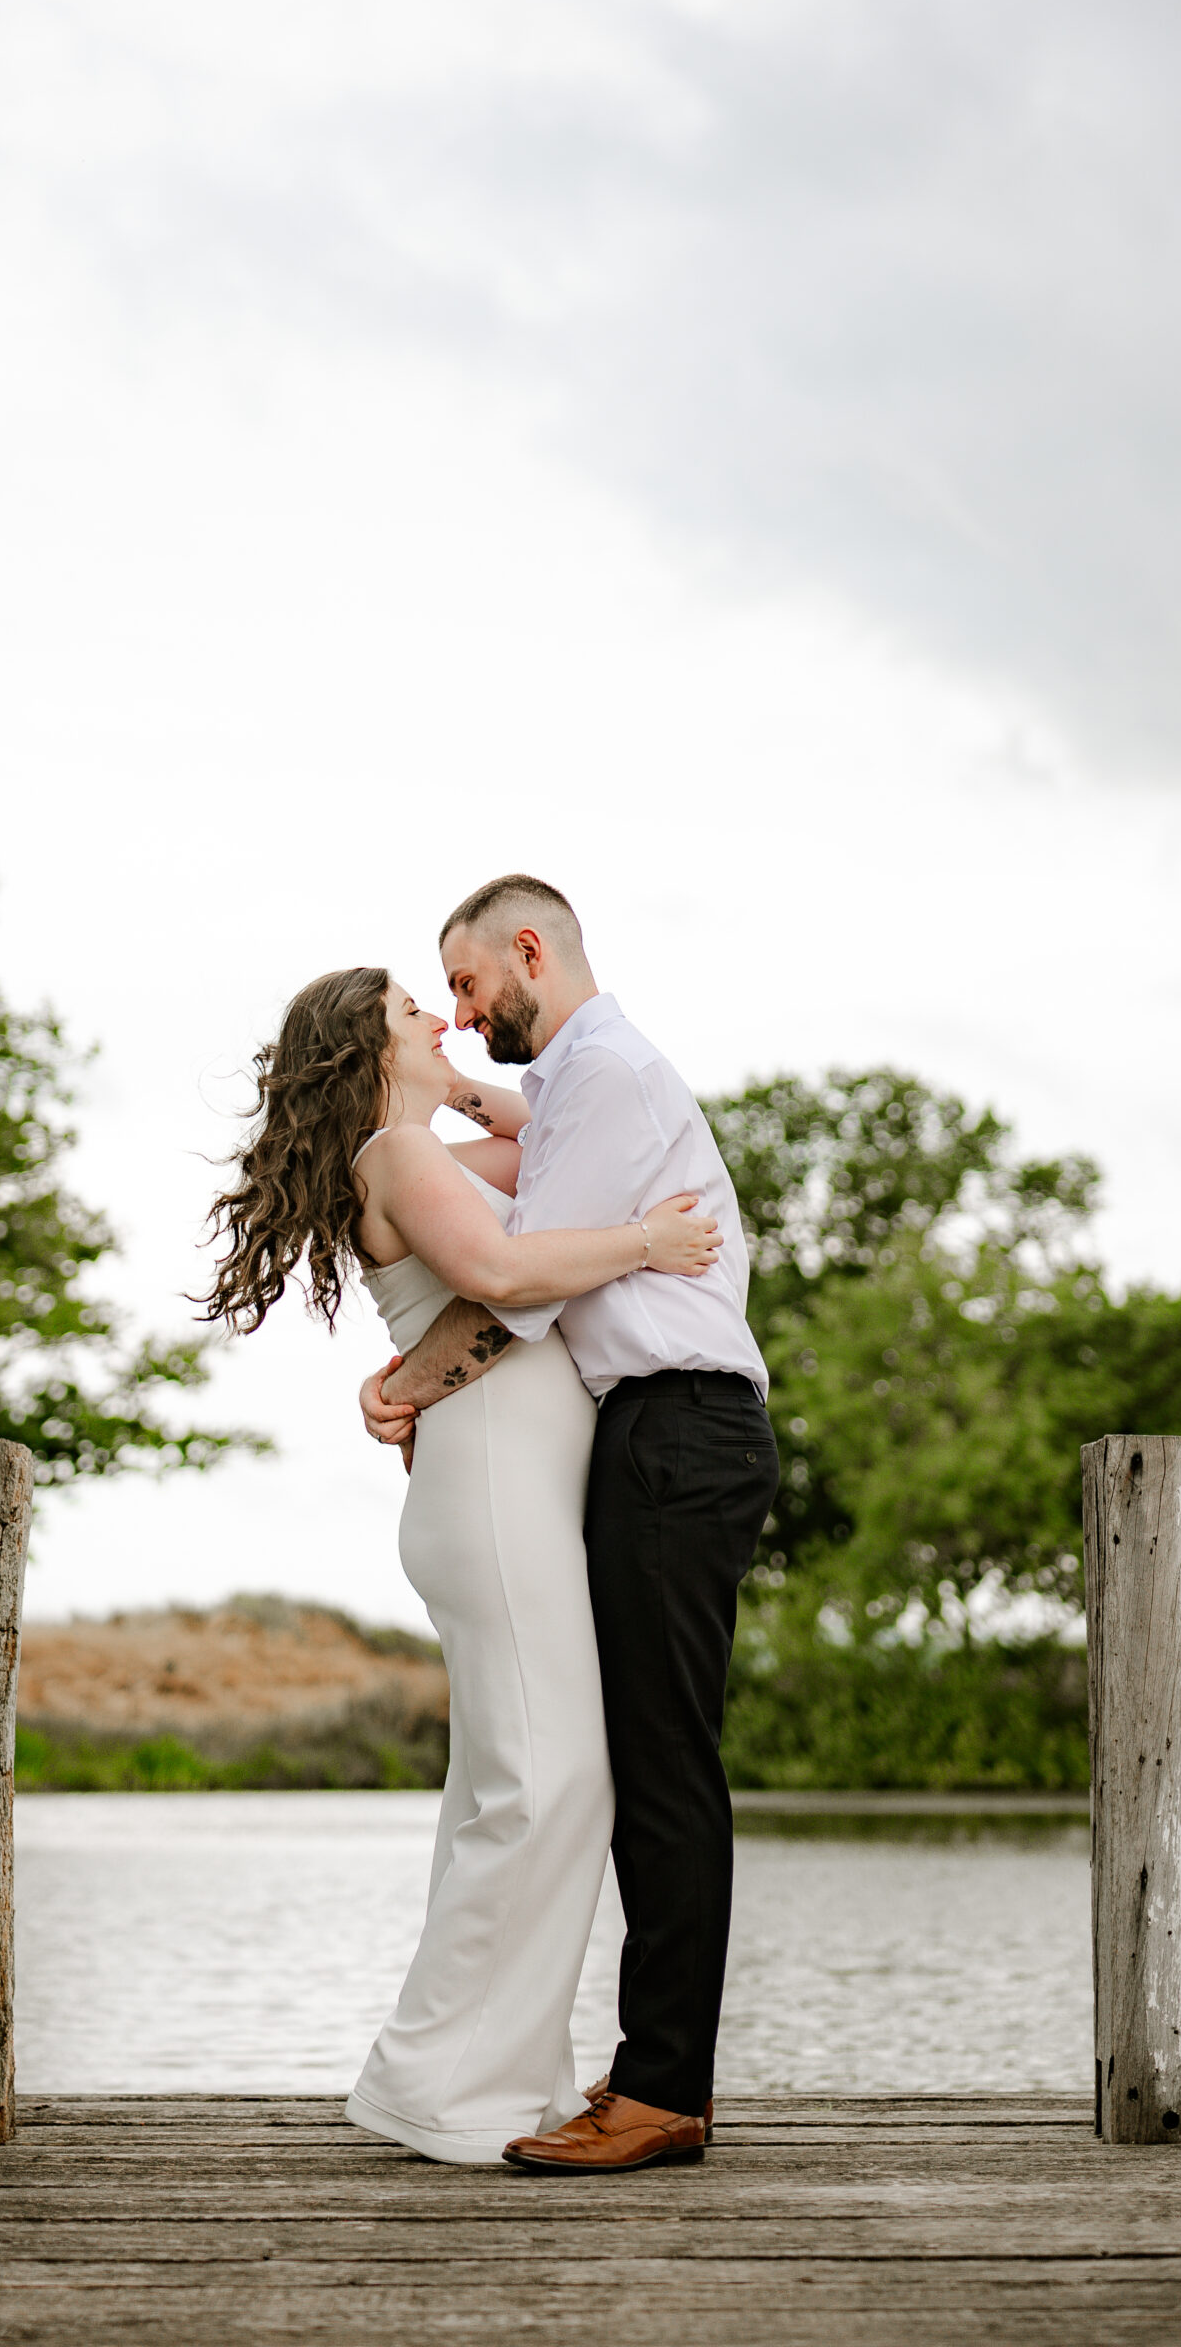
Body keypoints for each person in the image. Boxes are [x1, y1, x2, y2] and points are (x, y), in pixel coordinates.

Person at [203, 963, 720, 2165]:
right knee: (549, 1786)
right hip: (488, 1491)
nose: (444, 1017)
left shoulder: (419, 1152)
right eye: (409, 1013)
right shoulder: (397, 1158)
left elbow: (571, 1137)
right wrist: (647, 1240)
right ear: (366, 1054)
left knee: (522, 1786)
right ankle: (445, 2086)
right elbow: (500, 1279)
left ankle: (483, 2075)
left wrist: (470, 1087)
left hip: (509, 1492)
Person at [360, 876, 780, 2176]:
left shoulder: (603, 1075)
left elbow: (521, 1291)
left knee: (659, 1763)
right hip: (646, 1437)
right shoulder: (585, 1082)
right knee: (640, 1758)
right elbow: (512, 1131)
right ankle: (652, 2072)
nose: (463, 1011)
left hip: (676, 1429)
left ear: (528, 947)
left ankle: (660, 2090)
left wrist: (399, 1386)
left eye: (473, 984)